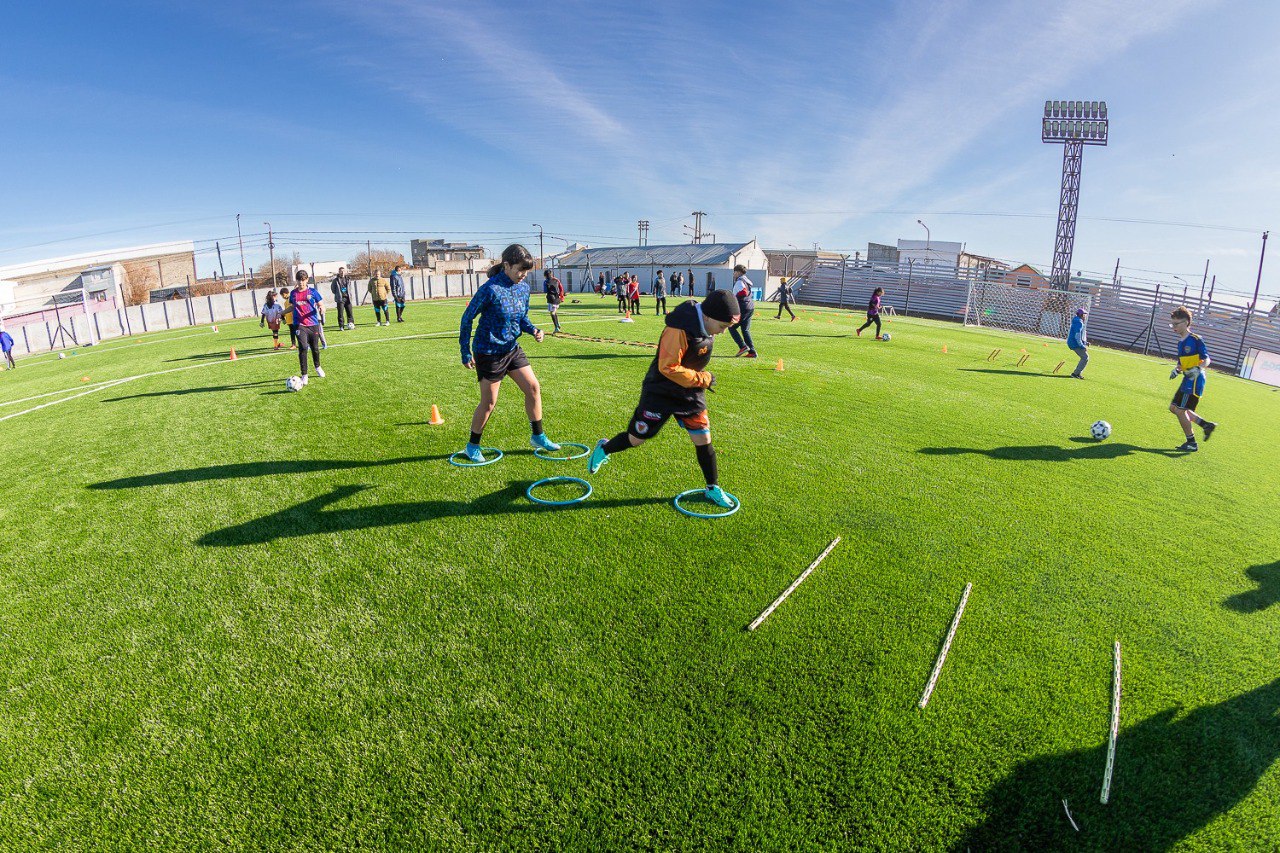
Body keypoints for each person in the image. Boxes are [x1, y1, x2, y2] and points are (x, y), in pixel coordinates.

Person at [587, 290, 741, 508]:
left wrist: (698, 380)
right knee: (636, 439)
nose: (723, 333)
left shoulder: (707, 322)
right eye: (722, 327)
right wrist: (703, 378)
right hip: (661, 391)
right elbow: (668, 367)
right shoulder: (678, 329)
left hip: (689, 392)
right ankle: (604, 448)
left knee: (703, 439)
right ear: (707, 316)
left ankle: (712, 487)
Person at [458, 244, 561, 463]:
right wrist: (465, 352)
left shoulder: (523, 288)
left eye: (527, 270)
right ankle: (472, 446)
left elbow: (522, 318)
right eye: (520, 269)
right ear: (506, 265)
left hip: (512, 348)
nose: (523, 275)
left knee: (533, 387)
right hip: (489, 351)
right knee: (489, 403)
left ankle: (538, 436)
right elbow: (467, 318)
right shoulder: (490, 289)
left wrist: (533, 330)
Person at [1168, 305, 1218, 452]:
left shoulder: (1196, 339)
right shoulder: (1180, 342)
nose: (1174, 327)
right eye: (1172, 324)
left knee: (1180, 410)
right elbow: (1182, 363)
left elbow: (1207, 360)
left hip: (1195, 380)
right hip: (1186, 379)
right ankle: (1205, 425)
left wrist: (1198, 368)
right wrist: (1176, 370)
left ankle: (1191, 442)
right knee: (1174, 408)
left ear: (1186, 322)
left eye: (1176, 324)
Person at [289, 269, 326, 385]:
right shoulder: (293, 293)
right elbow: (292, 307)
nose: (301, 283)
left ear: (307, 280)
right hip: (299, 325)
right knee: (303, 348)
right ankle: (304, 374)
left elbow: (321, 305)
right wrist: (281, 313)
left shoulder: (313, 292)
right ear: (297, 281)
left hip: (313, 324)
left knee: (315, 348)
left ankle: (317, 367)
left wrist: (322, 309)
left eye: (303, 280)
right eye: (299, 280)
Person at [728, 264, 757, 357]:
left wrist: (734, 299)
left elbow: (743, 292)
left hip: (743, 307)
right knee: (745, 330)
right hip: (750, 306)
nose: (733, 274)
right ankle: (752, 352)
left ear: (738, 272)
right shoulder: (747, 281)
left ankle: (742, 346)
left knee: (731, 327)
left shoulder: (740, 282)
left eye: (734, 272)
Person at [1067, 306, 1089, 378]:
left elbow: (1079, 335)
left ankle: (1077, 373)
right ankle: (1075, 374)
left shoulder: (1077, 320)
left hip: (1073, 342)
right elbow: (1077, 335)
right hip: (1074, 343)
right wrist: (1082, 346)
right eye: (1084, 314)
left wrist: (1085, 343)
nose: (1085, 316)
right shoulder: (1079, 322)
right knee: (1085, 357)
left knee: (1084, 357)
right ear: (1081, 315)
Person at [543, 269, 565, 333]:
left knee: (552, 313)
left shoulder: (545, 281)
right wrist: (562, 297)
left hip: (551, 299)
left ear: (545, 275)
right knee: (554, 312)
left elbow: (545, 291)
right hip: (557, 298)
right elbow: (561, 288)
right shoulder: (556, 280)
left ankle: (556, 328)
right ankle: (557, 324)